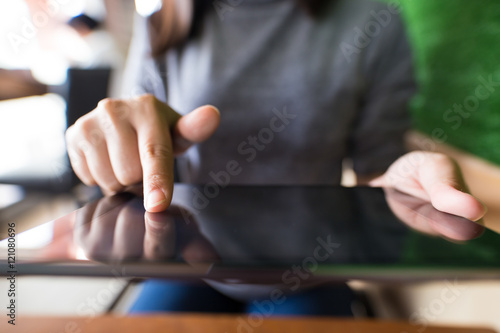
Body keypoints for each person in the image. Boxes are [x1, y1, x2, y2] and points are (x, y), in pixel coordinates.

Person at [65, 0, 486, 315]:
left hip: (310, 268)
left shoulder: (373, 18)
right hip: (189, 261)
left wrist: (402, 184)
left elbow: (376, 164)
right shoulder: (163, 15)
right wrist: (116, 154)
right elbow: (143, 156)